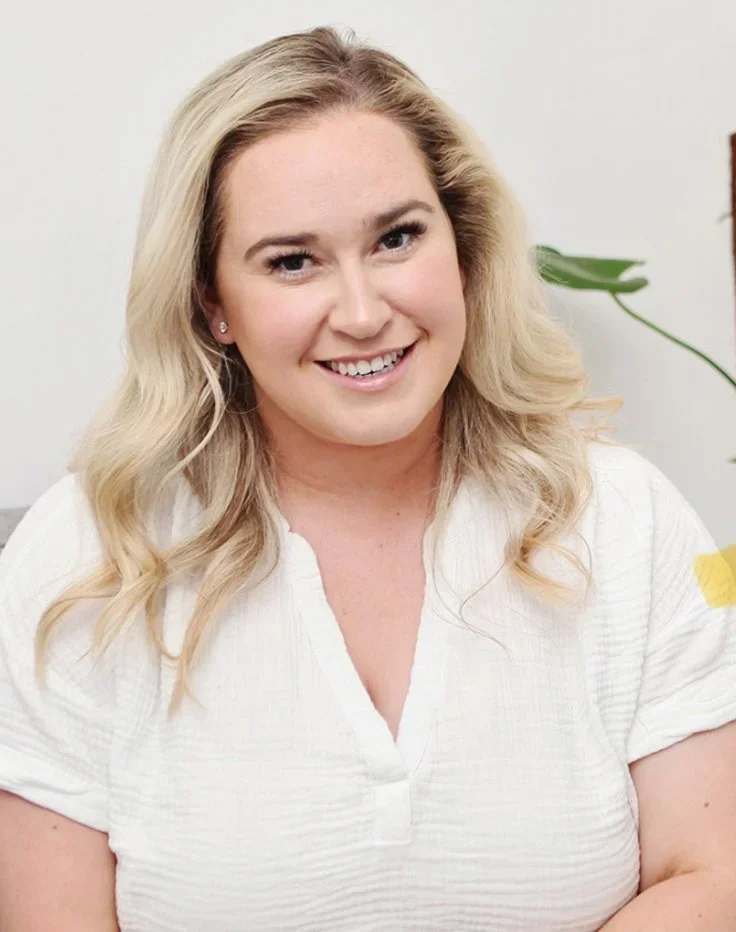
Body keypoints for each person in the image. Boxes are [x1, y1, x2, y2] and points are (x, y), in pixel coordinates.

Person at [1, 25, 735, 932]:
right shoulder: (87, 555)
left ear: (462, 249)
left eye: (396, 238)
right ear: (213, 304)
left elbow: (711, 875)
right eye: (292, 261)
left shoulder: (626, 518)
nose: (361, 311)